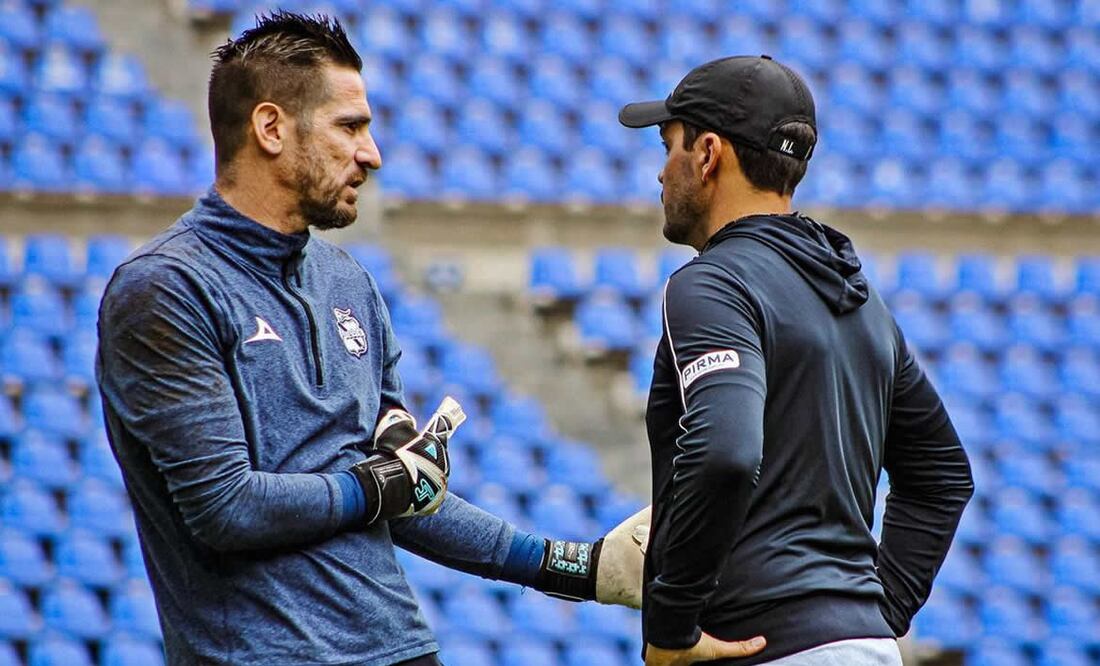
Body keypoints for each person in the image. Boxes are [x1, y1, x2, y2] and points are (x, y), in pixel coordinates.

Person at [95, 12, 644, 665]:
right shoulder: (165, 290)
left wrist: (578, 567)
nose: (371, 154)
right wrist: (372, 485)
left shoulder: (347, 282)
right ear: (270, 128)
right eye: (349, 127)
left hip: (401, 648)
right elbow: (228, 508)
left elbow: (404, 494)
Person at [617, 56, 975, 666]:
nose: (660, 172)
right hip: (864, 648)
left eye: (668, 146)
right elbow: (942, 474)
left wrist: (671, 627)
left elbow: (726, 452)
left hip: (762, 647)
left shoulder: (712, 284)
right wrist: (869, 613)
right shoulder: (861, 300)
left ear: (707, 154)